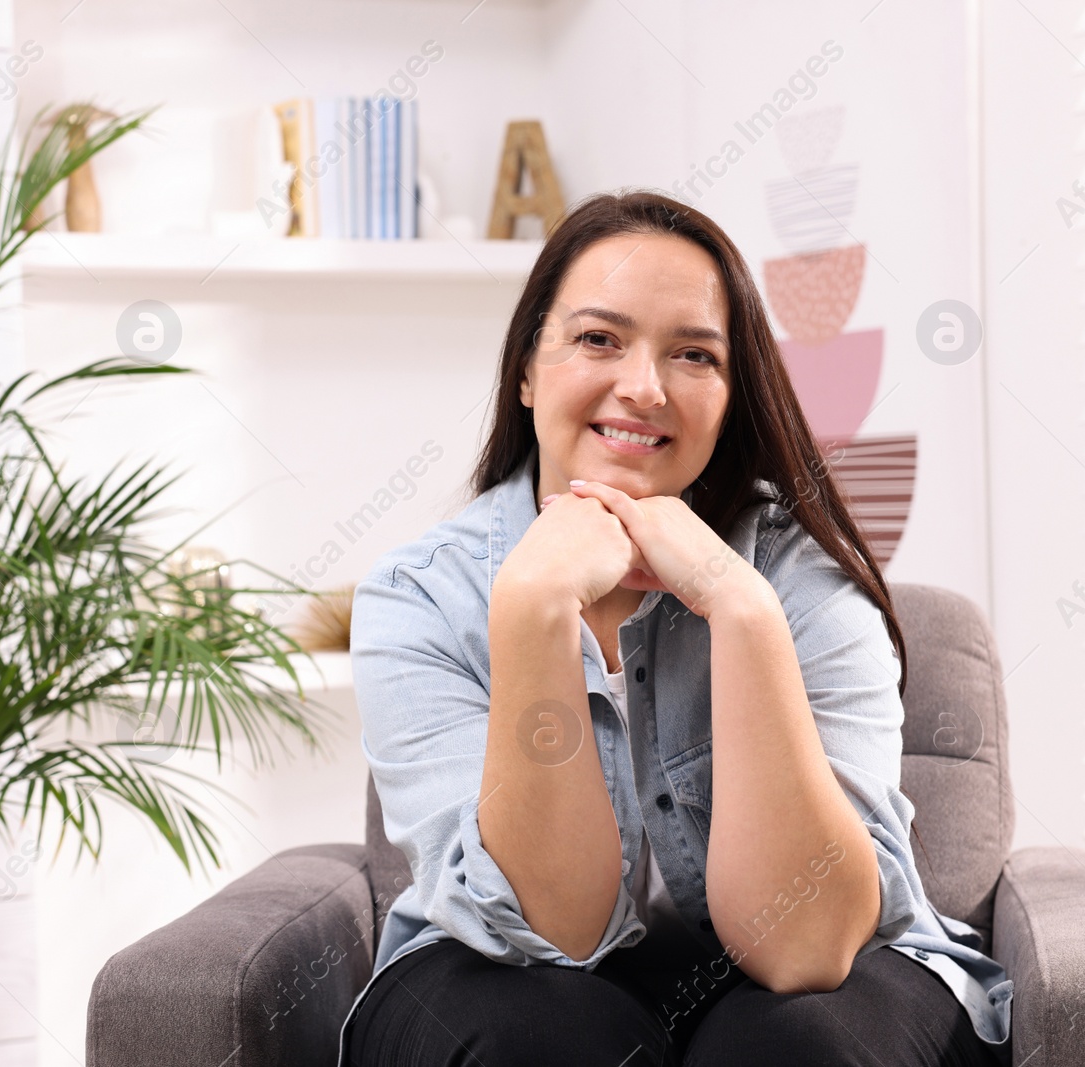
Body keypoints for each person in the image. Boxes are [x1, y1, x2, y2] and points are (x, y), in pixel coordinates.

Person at [337, 190, 1013, 1066]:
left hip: (817, 980)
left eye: (694, 354)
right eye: (598, 339)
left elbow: (807, 945)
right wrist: (535, 608)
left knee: (798, 1044)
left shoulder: (804, 582)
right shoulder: (419, 594)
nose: (644, 387)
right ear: (528, 370)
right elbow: (551, 933)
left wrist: (739, 606)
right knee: (539, 1037)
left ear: (732, 394)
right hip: (504, 968)